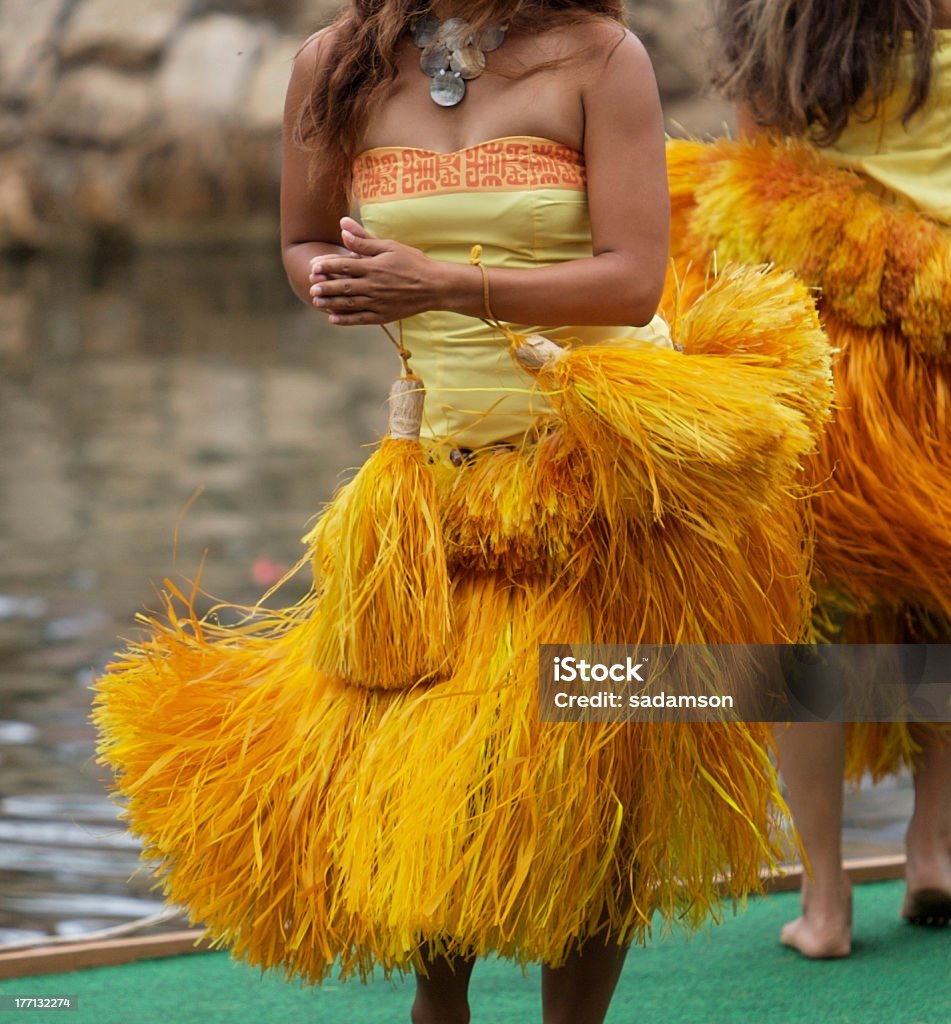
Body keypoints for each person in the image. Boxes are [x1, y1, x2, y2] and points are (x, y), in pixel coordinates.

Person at [94, 3, 831, 1021]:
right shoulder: (335, 63)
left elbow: (631, 280)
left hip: (610, 473)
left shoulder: (598, 56)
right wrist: (336, 283)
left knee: (598, 771)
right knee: (430, 755)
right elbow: (303, 240)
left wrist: (440, 280)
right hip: (437, 474)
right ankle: (439, 1008)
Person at [666, 0, 951, 959]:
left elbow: (748, 187)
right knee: (942, 600)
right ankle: (933, 850)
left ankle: (824, 901)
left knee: (804, 623)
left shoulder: (775, 25)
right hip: (942, 351)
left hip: (827, 355)